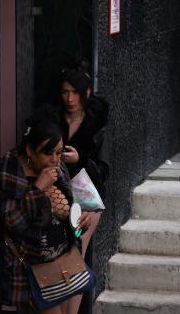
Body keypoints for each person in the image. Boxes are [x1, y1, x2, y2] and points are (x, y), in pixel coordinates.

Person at [0, 108, 92, 313]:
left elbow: (69, 213)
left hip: (61, 264)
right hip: (31, 271)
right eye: (48, 152)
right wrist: (38, 188)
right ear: (30, 151)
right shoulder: (13, 169)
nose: (55, 159)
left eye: (59, 152)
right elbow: (12, 222)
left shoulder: (57, 168)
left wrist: (79, 224)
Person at [57, 67, 109, 313]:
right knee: (60, 257)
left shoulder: (97, 125)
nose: (69, 99)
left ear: (86, 93)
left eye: (75, 93)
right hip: (57, 195)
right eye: (65, 92)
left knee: (75, 254)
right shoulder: (54, 119)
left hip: (87, 195)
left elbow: (104, 170)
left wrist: (79, 160)